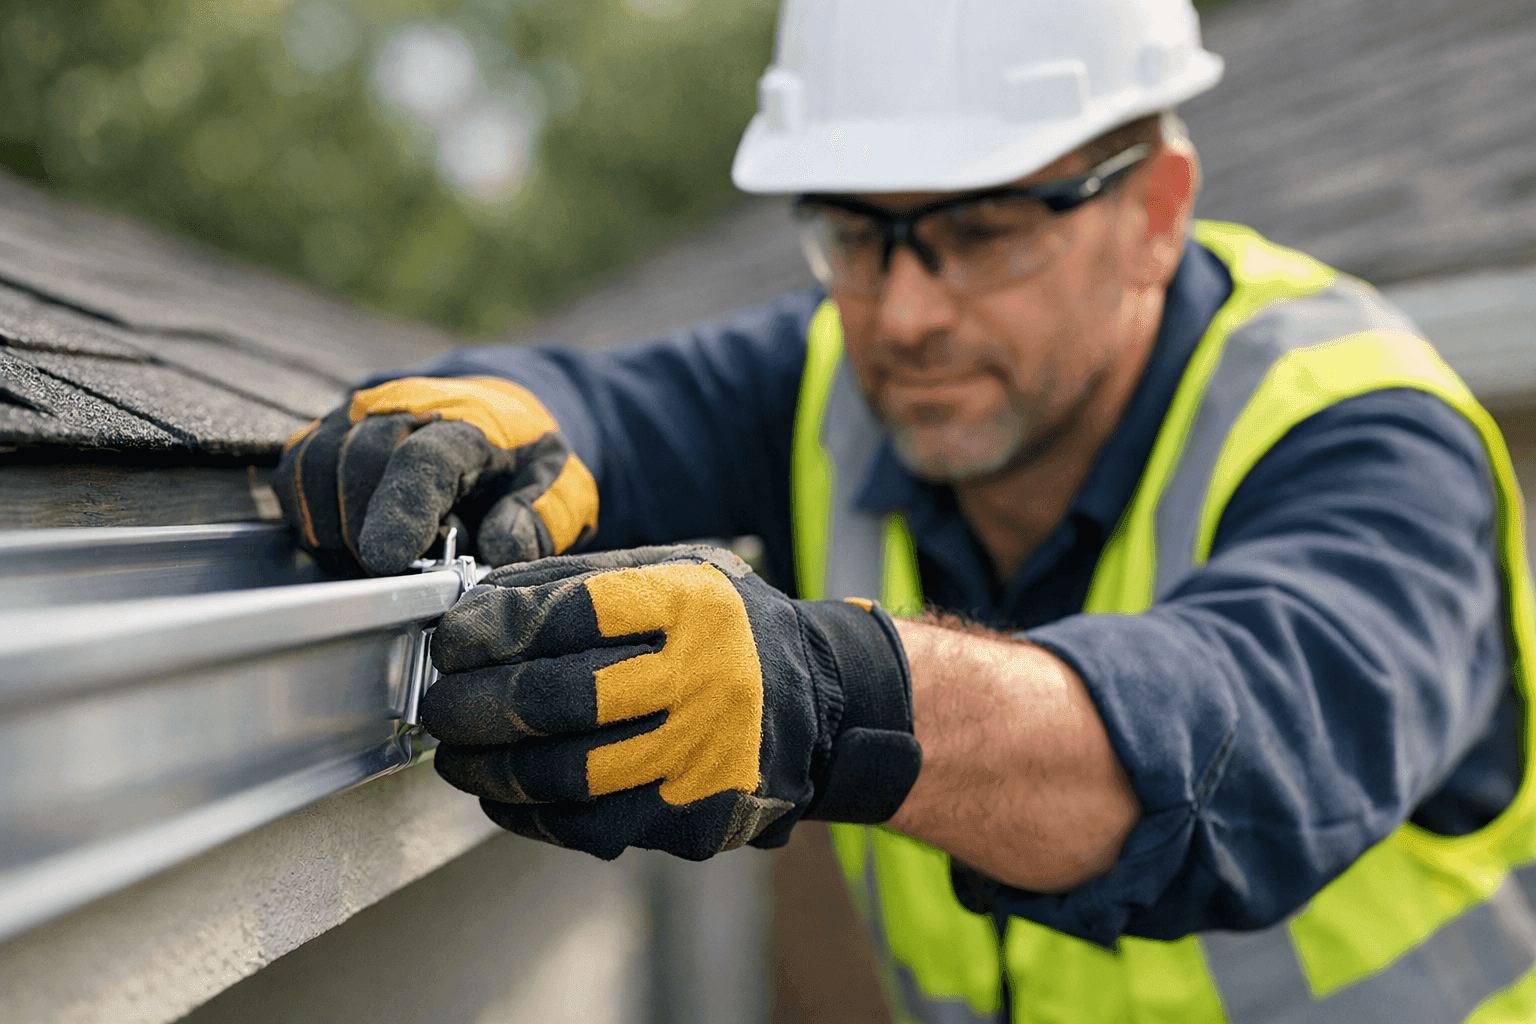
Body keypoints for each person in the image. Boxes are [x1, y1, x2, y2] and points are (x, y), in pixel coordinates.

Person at [272, 0, 1536, 1019]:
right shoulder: (843, 379)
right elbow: (608, 406)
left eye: (984, 232)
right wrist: (480, 417)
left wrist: (835, 699)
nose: (905, 311)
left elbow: (1231, 744)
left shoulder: (1368, 432)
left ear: (1155, 212)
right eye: (855, 234)